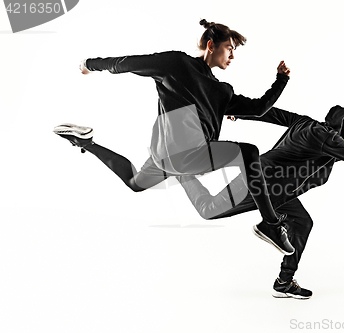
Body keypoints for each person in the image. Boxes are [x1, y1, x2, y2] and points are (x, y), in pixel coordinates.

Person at [53, 19, 294, 254]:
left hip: (164, 156)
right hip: (188, 154)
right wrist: (91, 63)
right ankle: (271, 225)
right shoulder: (179, 64)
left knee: (135, 183)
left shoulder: (221, 91)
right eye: (229, 48)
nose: (232, 56)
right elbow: (128, 63)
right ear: (211, 45)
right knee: (249, 152)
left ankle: (86, 142)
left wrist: (280, 81)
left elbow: (257, 108)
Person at [176, 105, 344, 299]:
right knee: (208, 210)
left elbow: (272, 113)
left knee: (302, 222)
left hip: (278, 190)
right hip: (259, 184)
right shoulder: (329, 139)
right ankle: (179, 172)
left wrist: (239, 112)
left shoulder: (306, 123)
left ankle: (284, 283)